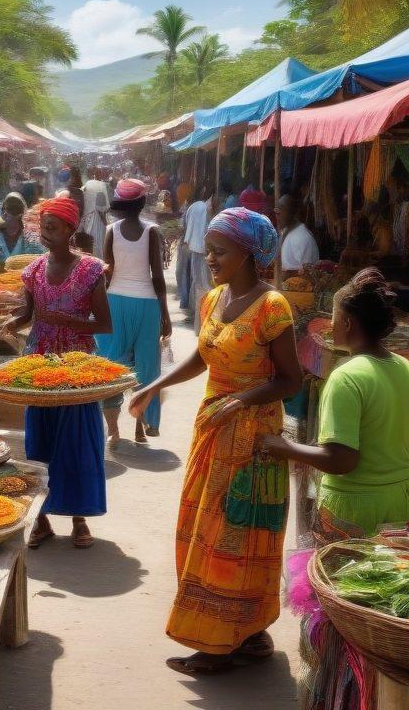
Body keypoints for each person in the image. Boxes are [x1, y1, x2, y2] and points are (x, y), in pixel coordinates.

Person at [129, 208, 302, 675]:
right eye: (209, 250)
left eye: (220, 251)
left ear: (249, 253)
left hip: (254, 440)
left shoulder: (272, 307)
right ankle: (242, 634)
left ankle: (223, 643)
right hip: (214, 431)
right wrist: (154, 385)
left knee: (241, 535)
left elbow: (291, 379)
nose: (210, 259)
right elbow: (204, 359)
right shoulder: (213, 300)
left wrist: (245, 399)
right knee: (201, 529)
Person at [259, 268, 409, 541]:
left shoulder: (346, 376)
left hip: (358, 507)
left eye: (333, 318)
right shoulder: (403, 366)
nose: (329, 325)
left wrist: (284, 447)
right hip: (406, 499)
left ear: (347, 323)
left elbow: (341, 460)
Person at [0, 198, 112, 550]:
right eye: (42, 228)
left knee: (77, 440)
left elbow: (105, 325)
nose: (44, 234)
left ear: (70, 230)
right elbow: (28, 312)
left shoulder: (91, 271)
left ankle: (79, 519)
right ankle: (43, 519)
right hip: (40, 364)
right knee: (40, 439)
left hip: (78, 367)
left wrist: (70, 322)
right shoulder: (33, 271)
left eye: (52, 228)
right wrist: (10, 322)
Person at [96, 179, 172, 443]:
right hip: (147, 304)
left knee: (113, 365)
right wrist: (165, 314)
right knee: (147, 366)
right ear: (142, 203)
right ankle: (143, 425)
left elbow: (106, 273)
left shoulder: (110, 230)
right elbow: (158, 277)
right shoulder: (151, 231)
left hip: (116, 302)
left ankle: (113, 430)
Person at [180, 183, 214, 331]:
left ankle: (197, 320)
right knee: (205, 285)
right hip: (204, 250)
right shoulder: (207, 208)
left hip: (194, 248)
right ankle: (202, 322)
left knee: (197, 283)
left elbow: (186, 226)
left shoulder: (193, 207)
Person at [0, 193, 43, 270]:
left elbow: (38, 263)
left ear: (20, 214)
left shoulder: (30, 238)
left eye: (11, 210)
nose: (5, 213)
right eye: (4, 209)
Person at [276, 195, 320, 279]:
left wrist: (285, 275)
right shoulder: (286, 231)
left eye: (283, 210)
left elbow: (309, 273)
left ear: (293, 213)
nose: (278, 215)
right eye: (277, 210)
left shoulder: (303, 237)